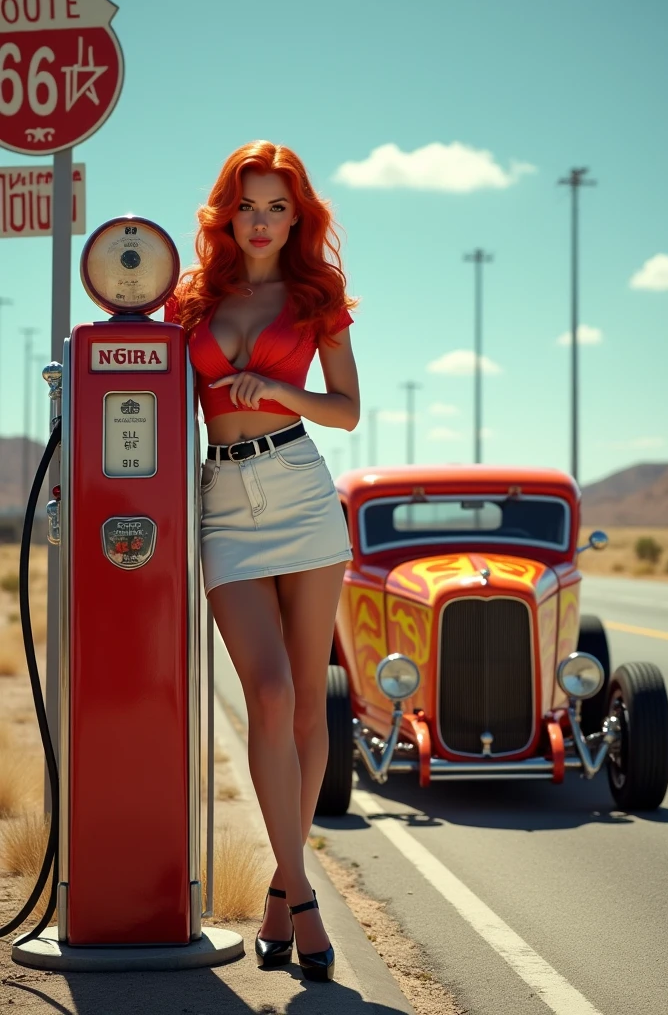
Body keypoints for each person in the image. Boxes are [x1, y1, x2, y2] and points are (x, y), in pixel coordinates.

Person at [165, 141, 359, 982]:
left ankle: (281, 891)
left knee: (308, 710)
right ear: (226, 211)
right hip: (223, 507)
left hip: (301, 489)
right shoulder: (190, 300)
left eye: (278, 207)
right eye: (249, 205)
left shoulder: (317, 298)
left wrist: (280, 390)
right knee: (270, 693)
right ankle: (306, 899)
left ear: (298, 216)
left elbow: (347, 410)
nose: (263, 221)